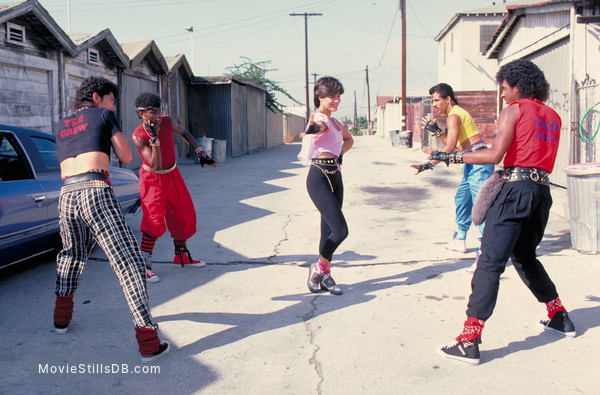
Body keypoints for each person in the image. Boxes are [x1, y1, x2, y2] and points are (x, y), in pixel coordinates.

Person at [432, 59, 576, 366]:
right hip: (541, 193)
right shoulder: (552, 115)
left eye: (504, 88)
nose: (502, 95)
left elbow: (495, 154)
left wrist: (452, 156)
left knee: (489, 261)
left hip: (515, 190)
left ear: (516, 86)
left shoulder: (515, 109)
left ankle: (469, 340)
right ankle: (559, 316)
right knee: (525, 257)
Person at [52, 76, 169, 363]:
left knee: (71, 255)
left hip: (67, 195)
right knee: (128, 262)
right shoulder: (104, 115)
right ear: (96, 97)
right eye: (112, 100)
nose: (114, 106)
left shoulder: (61, 125)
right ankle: (148, 341)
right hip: (96, 190)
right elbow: (127, 155)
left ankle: (61, 321)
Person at [132, 92, 216, 283]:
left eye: (159, 110)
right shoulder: (138, 136)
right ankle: (142, 266)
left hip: (173, 174)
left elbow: (184, 132)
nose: (157, 115)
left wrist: (200, 151)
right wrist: (154, 139)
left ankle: (181, 256)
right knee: (154, 220)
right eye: (153, 112)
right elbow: (156, 165)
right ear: (141, 113)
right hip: (153, 179)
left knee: (183, 214)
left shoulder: (167, 121)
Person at [411, 83, 494, 270]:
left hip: (479, 164)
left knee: (481, 208)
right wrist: (436, 131)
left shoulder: (455, 115)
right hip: (471, 162)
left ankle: (486, 253)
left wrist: (428, 165)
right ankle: (460, 238)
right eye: (432, 101)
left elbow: (448, 149)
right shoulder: (454, 115)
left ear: (447, 99)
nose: (434, 105)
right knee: (462, 199)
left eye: (436, 100)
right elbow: (455, 146)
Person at [299, 76, 354, 295]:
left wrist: (340, 153)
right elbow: (317, 127)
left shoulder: (335, 122)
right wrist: (310, 130)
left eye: (338, 96)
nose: (336, 100)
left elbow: (349, 139)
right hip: (319, 177)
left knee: (328, 230)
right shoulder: (320, 118)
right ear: (320, 97)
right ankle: (319, 268)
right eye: (332, 96)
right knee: (340, 231)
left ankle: (325, 276)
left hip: (336, 177)